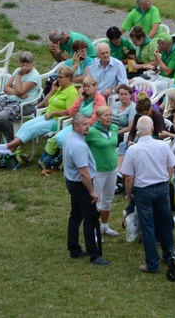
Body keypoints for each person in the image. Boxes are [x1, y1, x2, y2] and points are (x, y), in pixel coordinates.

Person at [121, 116, 175, 274]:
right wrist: (166, 181)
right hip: (162, 187)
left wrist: (128, 195)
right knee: (165, 223)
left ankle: (152, 263)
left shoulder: (133, 150)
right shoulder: (163, 146)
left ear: (138, 130)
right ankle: (169, 255)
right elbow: (171, 168)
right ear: (152, 129)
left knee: (148, 227)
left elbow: (129, 177)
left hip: (143, 190)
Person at [0, 66, 78, 159]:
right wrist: (52, 90)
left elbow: (70, 112)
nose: (58, 79)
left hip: (57, 121)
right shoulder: (60, 88)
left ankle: (7, 146)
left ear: (68, 79)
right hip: (48, 116)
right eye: (58, 77)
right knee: (25, 125)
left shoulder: (71, 92)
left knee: (31, 129)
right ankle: (11, 150)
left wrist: (53, 113)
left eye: (60, 77)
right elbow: (46, 103)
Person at [63, 113, 109, 266]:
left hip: (72, 182)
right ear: (76, 126)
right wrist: (92, 191)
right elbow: (84, 173)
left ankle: (74, 249)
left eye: (88, 123)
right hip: (81, 185)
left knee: (75, 215)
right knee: (90, 218)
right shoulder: (79, 146)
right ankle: (94, 254)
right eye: (84, 124)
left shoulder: (70, 137)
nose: (87, 126)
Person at [0, 51, 40, 142]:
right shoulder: (17, 70)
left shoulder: (34, 76)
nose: (24, 65)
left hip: (25, 105)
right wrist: (16, 91)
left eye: (27, 63)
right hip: (9, 100)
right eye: (22, 62)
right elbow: (6, 88)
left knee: (0, 117)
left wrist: (19, 76)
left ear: (32, 63)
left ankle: (12, 137)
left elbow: (19, 91)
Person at [84, 106, 120, 238]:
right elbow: (82, 146)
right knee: (95, 200)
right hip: (98, 171)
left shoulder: (115, 128)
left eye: (110, 115)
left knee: (108, 198)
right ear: (98, 118)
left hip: (113, 169)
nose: (109, 117)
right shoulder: (92, 132)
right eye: (106, 115)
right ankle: (93, 231)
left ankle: (105, 226)